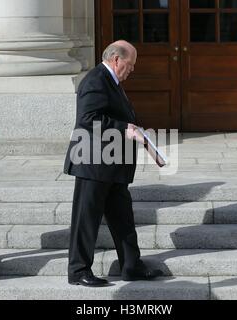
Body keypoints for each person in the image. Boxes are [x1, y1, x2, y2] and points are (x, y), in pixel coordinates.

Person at [63, 40, 163, 287]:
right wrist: (125, 129)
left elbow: (116, 114)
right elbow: (88, 119)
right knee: (86, 219)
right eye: (130, 64)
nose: (132, 69)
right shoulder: (96, 80)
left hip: (112, 166)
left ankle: (132, 266)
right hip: (94, 163)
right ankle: (78, 271)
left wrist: (135, 129)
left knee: (123, 218)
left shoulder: (111, 81)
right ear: (116, 59)